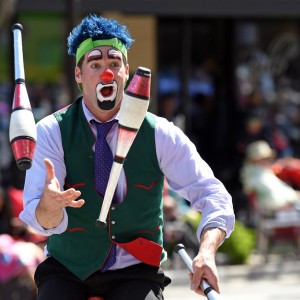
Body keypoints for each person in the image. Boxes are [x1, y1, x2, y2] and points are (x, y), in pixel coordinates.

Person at [19, 14, 235, 300]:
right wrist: (50, 206)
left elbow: (212, 194)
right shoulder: (51, 131)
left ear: (126, 72)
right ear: (79, 75)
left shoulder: (160, 133)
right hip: (68, 269)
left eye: (114, 64)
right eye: (95, 65)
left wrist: (206, 252)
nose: (106, 73)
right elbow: (39, 219)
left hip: (136, 270)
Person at [240, 140, 300, 216]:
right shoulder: (257, 178)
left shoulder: (264, 173)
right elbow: (275, 201)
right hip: (277, 215)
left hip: (283, 211)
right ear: (254, 161)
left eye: (267, 158)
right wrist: (295, 197)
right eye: (263, 159)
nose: (267, 161)